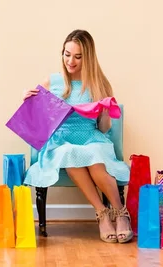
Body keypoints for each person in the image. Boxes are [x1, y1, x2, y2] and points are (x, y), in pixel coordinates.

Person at [22, 29, 132, 243]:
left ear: (88, 57)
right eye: (67, 54)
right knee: (69, 152)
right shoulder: (51, 82)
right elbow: (37, 122)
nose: (70, 61)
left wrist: (105, 110)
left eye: (78, 56)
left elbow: (103, 128)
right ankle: (102, 213)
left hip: (91, 138)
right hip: (61, 141)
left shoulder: (99, 84)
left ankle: (120, 212)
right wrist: (27, 101)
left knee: (93, 156)